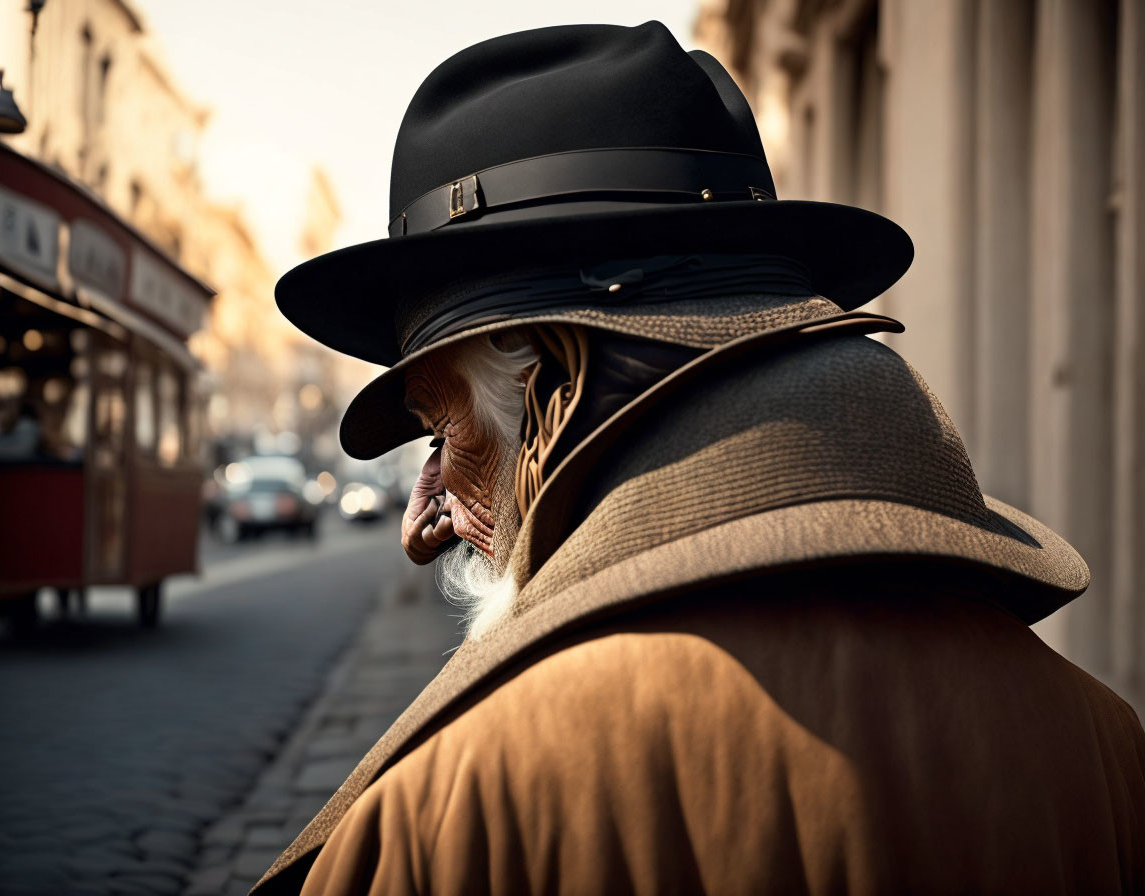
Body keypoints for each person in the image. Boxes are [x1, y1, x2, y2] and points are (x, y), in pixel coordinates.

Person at [253, 22, 1145, 895]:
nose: (424, 523)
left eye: (446, 429)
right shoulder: (1108, 748)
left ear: (557, 397)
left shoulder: (461, 803)